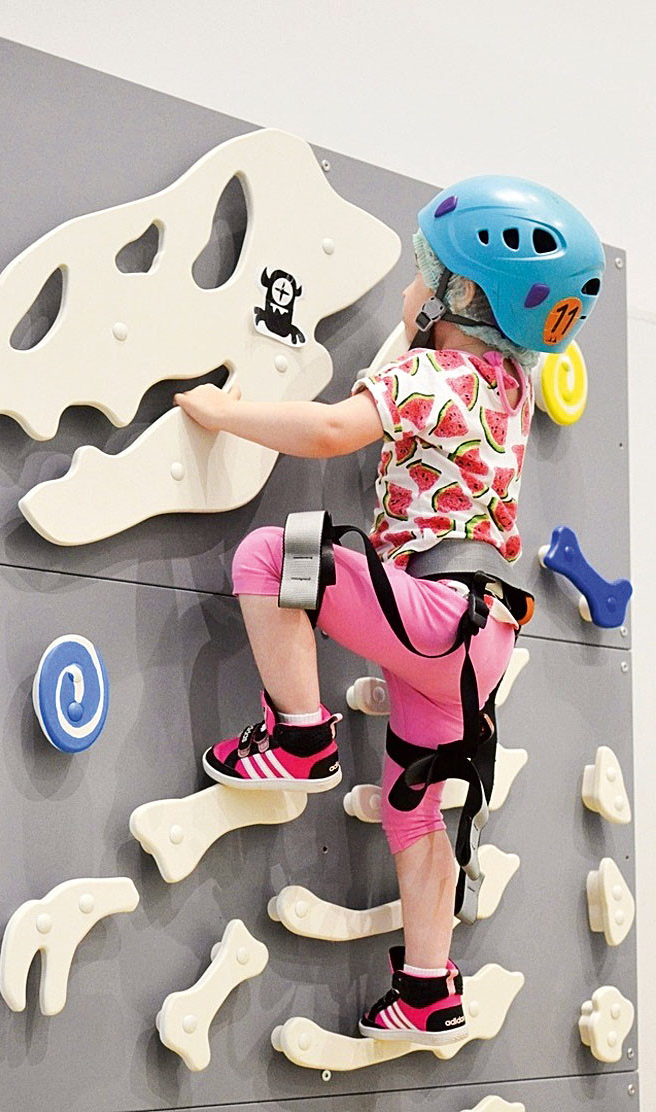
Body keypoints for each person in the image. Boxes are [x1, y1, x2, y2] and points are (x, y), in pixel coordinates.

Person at [174, 176, 604, 1046]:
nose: (408, 288)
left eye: (420, 274)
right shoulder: (509, 387)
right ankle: (427, 988)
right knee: (415, 811)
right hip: (479, 638)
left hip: (432, 613)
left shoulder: (428, 374)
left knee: (275, 557)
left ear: (457, 295)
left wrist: (225, 412)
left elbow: (333, 432)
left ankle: (299, 736)